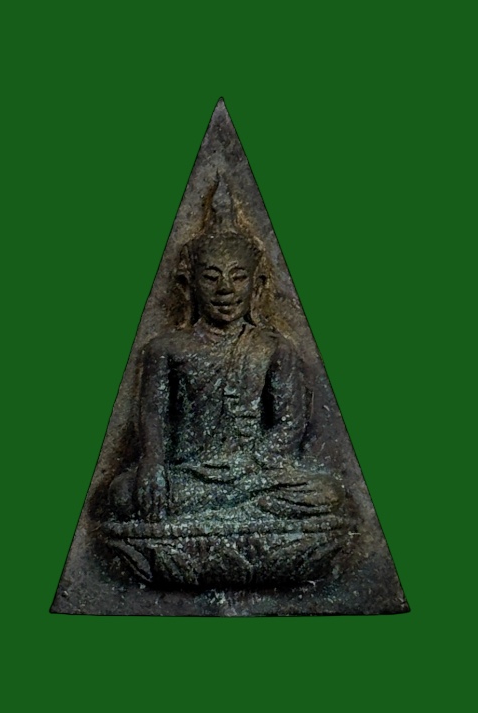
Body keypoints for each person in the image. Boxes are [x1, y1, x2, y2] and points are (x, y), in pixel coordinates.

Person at [105, 187, 349, 587]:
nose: (225, 290)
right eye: (211, 277)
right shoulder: (165, 348)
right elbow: (152, 418)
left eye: (238, 277)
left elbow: (290, 425)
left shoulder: (274, 348)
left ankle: (216, 517)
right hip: (189, 474)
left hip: (257, 473)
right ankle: (235, 517)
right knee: (121, 495)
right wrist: (152, 465)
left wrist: (249, 466)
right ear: (189, 284)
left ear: (257, 284)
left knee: (329, 493)